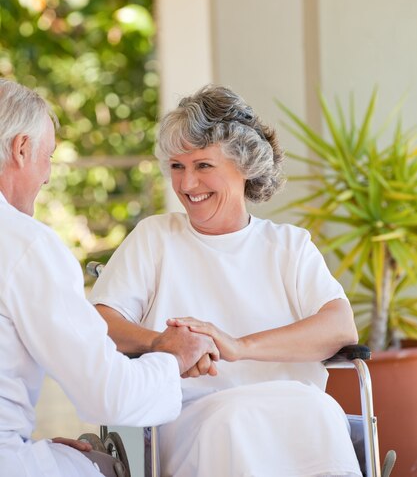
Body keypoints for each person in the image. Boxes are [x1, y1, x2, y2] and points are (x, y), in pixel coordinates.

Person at [90, 84, 362, 477]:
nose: (186, 184)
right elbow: (100, 322)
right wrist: (162, 344)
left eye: (203, 166)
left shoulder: (288, 245)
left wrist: (238, 346)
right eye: (177, 167)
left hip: (295, 406)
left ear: (244, 166)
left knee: (321, 410)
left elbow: (340, 327)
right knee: (235, 420)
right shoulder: (155, 237)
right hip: (192, 415)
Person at [0, 78, 219, 477]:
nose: (47, 176)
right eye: (47, 157)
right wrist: (170, 356)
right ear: (21, 149)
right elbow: (108, 394)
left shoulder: (289, 245)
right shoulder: (24, 244)